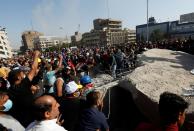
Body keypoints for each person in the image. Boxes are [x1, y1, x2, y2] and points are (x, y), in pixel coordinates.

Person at [8, 50, 41, 127]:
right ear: (19, 77)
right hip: (31, 119)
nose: (24, 73)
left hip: (20, 121)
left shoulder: (9, 90)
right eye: (22, 72)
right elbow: (33, 68)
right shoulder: (23, 85)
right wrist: (36, 55)